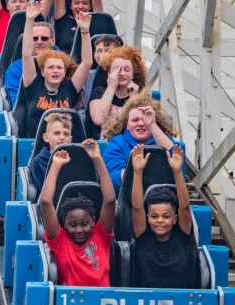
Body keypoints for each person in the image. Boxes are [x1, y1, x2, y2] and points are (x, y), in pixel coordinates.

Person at [40, 141, 116, 287]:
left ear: (93, 221)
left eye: (84, 224)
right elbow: (45, 202)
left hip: (102, 303)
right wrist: (56, 165)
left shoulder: (101, 236)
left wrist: (98, 159)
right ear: (65, 224)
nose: (79, 230)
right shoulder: (60, 241)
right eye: (73, 225)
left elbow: (110, 200)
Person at [19, 2, 93, 138]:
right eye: (51, 67)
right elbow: (26, 54)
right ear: (42, 72)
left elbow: (87, 62)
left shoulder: (69, 90)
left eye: (59, 68)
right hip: (35, 147)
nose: (55, 71)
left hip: (62, 145)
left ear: (64, 72)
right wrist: (29, 20)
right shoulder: (33, 87)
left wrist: (84, 30)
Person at [131, 143, 199, 290]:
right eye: (154, 216)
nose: (160, 221)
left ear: (174, 219)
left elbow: (184, 207)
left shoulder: (182, 237)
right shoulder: (144, 239)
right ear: (148, 218)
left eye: (166, 216)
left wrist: (177, 171)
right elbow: (137, 208)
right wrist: (137, 172)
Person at [102, 93, 176, 194]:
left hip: (161, 196)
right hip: (128, 197)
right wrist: (133, 168)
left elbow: (176, 157)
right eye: (135, 120)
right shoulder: (117, 143)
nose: (140, 124)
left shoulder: (162, 140)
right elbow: (114, 181)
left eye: (145, 120)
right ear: (127, 125)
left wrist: (152, 124)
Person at [88, 46, 146, 133]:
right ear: (109, 73)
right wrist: (111, 87)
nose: (122, 73)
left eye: (126, 70)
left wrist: (133, 100)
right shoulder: (99, 92)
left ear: (132, 75)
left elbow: (136, 127)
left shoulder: (139, 98)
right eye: (116, 69)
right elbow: (98, 119)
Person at [4, 21, 57, 104]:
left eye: (44, 38)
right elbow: (18, 107)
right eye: (34, 38)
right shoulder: (16, 69)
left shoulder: (64, 66)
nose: (39, 42)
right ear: (27, 41)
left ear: (53, 41)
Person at [31, 111, 73, 194]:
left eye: (66, 134)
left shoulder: (78, 159)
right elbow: (43, 196)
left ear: (70, 139)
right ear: (46, 137)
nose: (62, 137)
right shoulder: (38, 162)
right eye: (56, 133)